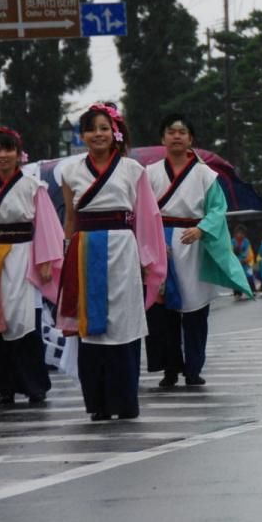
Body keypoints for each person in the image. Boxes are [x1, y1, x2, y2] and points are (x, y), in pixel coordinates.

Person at [58, 103, 167, 420]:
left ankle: (124, 402)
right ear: (82, 135)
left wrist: (149, 260)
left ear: (115, 132)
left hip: (122, 249)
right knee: (90, 329)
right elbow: (70, 217)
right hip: (84, 248)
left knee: (123, 323)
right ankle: (97, 404)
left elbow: (147, 217)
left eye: (104, 128)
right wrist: (67, 252)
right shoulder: (70, 172)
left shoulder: (133, 170)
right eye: (91, 129)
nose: (98, 134)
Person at [145, 114, 253, 389]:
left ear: (191, 139)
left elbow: (218, 208)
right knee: (162, 311)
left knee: (195, 311)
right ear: (163, 139)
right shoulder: (149, 173)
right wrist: (152, 243)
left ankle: (194, 368)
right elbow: (143, 211)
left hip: (193, 244)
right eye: (171, 132)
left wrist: (202, 229)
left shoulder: (206, 174)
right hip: (162, 244)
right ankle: (170, 369)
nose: (177, 136)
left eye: (183, 132)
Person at [0, 128, 63, 405]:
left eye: (8, 149)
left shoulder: (33, 186)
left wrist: (45, 261)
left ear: (18, 154)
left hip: (24, 258)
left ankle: (34, 385)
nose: (3, 155)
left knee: (24, 322)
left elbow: (46, 227)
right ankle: (4, 387)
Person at [231, 225, 256, 300]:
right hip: (235, 263)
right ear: (235, 234)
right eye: (238, 233)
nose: (240, 235)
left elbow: (248, 251)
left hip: (245, 263)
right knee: (236, 278)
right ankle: (237, 293)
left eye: (242, 233)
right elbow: (230, 252)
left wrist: (244, 259)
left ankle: (252, 291)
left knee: (249, 276)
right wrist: (236, 260)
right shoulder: (232, 241)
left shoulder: (246, 241)